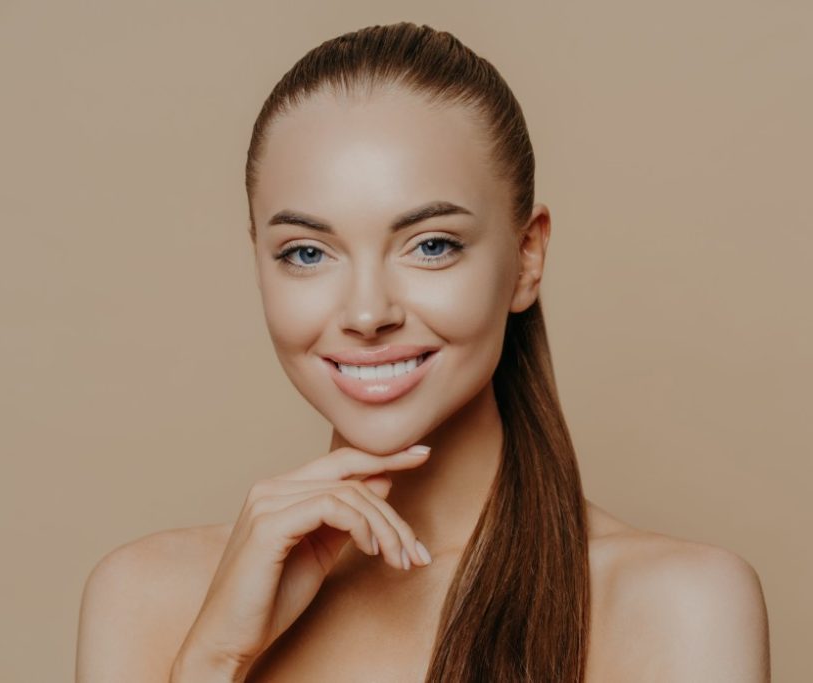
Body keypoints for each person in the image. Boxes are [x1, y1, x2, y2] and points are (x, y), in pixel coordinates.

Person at [76, 22, 770, 682]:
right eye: (308, 252)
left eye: (431, 244)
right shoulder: (146, 598)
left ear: (527, 257)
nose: (368, 313)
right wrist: (214, 657)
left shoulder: (680, 606)